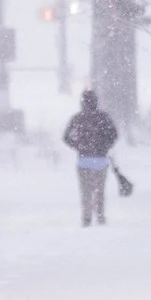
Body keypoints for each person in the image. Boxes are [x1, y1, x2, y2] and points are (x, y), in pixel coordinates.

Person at [64, 90, 119, 226]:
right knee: (100, 191)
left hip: (83, 160)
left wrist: (77, 146)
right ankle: (100, 216)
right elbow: (114, 134)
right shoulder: (103, 117)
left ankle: (86, 218)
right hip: (100, 160)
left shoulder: (77, 118)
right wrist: (105, 146)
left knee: (85, 192)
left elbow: (66, 137)